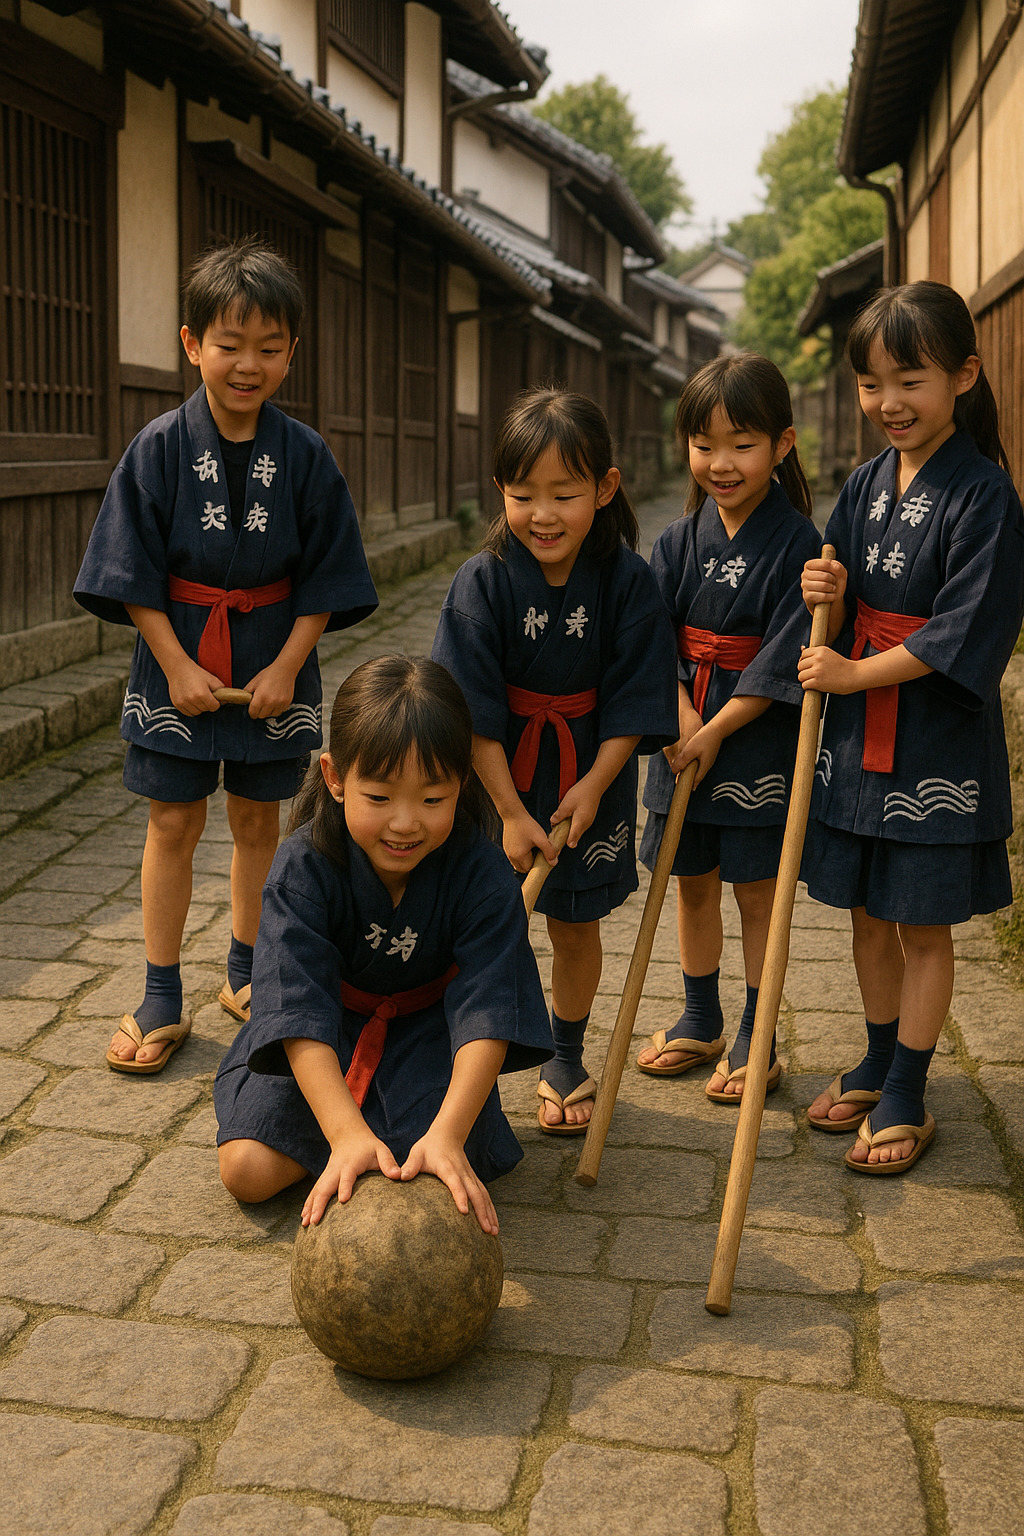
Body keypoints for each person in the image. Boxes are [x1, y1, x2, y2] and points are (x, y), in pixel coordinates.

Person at [74, 237, 376, 1073]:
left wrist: (286, 666)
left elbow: (327, 579)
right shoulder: (159, 448)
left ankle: (248, 970)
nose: (248, 364)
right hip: (177, 655)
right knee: (172, 819)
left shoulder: (307, 455)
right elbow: (130, 574)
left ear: (291, 352)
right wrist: (173, 664)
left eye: (269, 348)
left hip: (273, 659)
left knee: (258, 821)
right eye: (229, 344)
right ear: (190, 344)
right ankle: (160, 990)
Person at [798, 280, 1024, 1173]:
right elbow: (840, 574)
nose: (887, 403)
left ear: (964, 375)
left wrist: (855, 670)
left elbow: (962, 631)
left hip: (933, 741)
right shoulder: (863, 483)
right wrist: (829, 590)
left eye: (911, 381)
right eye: (870, 384)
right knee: (863, 908)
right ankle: (879, 1049)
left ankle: (910, 1088)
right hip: (860, 743)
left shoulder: (986, 498)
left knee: (922, 922)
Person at [214, 656, 553, 1232]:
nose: (404, 823)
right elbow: (296, 1010)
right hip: (324, 1037)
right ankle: (352, 1147)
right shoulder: (302, 867)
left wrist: (447, 1135)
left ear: (461, 785)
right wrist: (345, 1134)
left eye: (431, 798)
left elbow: (488, 1009)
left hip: (431, 1040)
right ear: (334, 777)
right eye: (379, 798)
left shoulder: (482, 871)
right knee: (247, 1170)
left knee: (433, 1170)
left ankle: (393, 1144)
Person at [432, 387, 677, 1134]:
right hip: (496, 776)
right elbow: (468, 713)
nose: (543, 514)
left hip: (589, 774)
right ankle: (458, 1062)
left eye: (564, 494)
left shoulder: (630, 582)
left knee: (573, 925)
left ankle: (565, 1055)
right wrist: (508, 811)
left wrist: (597, 787)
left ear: (604, 488)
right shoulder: (481, 581)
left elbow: (635, 704)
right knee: (482, 926)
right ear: (500, 490)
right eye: (523, 494)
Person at [635, 355, 821, 1100]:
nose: (720, 463)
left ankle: (756, 1031)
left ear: (782, 445)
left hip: (754, 740)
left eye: (741, 444)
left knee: (756, 892)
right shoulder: (676, 543)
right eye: (703, 444)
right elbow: (654, 642)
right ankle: (699, 1014)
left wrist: (717, 728)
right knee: (689, 884)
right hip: (684, 734)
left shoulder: (800, 544)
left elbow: (786, 654)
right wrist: (683, 718)